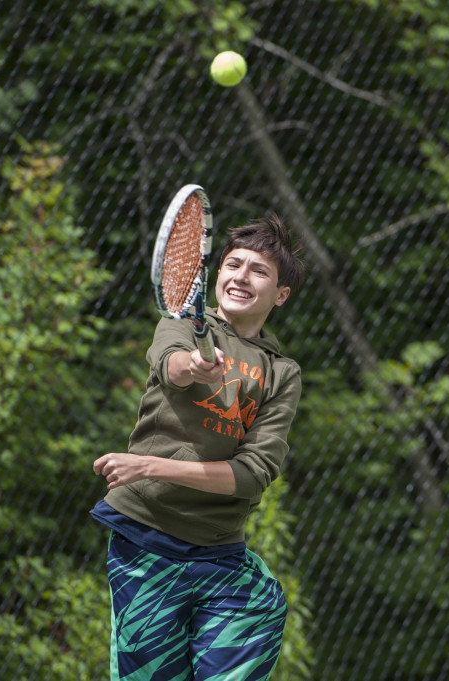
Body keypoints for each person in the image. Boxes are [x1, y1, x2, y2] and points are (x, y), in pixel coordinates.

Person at [91, 214, 306, 681]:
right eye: (233, 264)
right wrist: (194, 365)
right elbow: (170, 366)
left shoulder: (281, 373)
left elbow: (251, 475)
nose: (241, 276)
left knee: (262, 604)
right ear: (216, 274)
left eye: (259, 270)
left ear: (281, 294)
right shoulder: (181, 325)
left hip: (220, 551)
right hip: (146, 540)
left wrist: (153, 466)